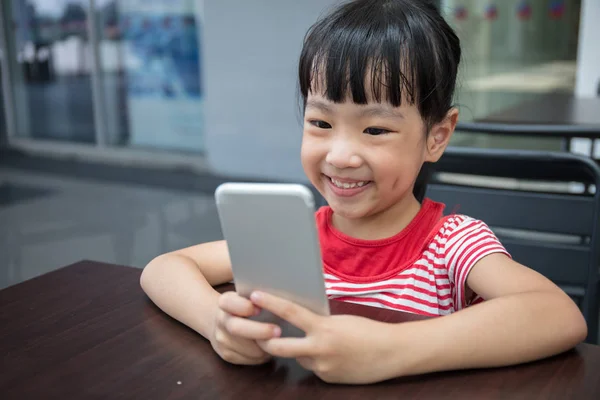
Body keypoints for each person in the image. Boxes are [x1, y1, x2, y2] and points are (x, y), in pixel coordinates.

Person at [140, 0, 587, 385]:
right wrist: (216, 323)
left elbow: (559, 315)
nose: (341, 155)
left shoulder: (452, 244)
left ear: (437, 136)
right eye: (320, 123)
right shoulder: (295, 241)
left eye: (375, 129)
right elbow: (162, 269)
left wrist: (390, 347)